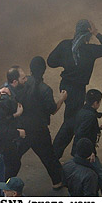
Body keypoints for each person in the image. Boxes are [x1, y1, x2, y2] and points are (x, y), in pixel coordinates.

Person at [47, 19, 102, 159]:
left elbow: (51, 61)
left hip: (65, 85)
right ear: (88, 33)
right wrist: (96, 33)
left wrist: (67, 63)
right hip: (77, 90)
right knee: (71, 121)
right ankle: (58, 154)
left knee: (72, 118)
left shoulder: (65, 45)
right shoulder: (90, 50)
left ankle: (59, 152)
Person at [16, 56, 66, 190]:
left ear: (30, 69)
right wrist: (61, 99)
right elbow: (53, 110)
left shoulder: (23, 83)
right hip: (39, 130)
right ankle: (57, 182)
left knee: (12, 157)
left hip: (21, 129)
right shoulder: (45, 89)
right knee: (48, 156)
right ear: (44, 70)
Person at [0, 65, 27, 179]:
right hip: (8, 136)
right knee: (12, 164)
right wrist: (16, 115)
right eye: (23, 78)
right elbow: (1, 120)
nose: (26, 80)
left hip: (13, 133)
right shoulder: (5, 98)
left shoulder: (12, 91)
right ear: (15, 81)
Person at [71, 89, 102, 179]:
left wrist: (97, 128)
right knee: (101, 173)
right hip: (86, 150)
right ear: (95, 103)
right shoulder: (91, 117)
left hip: (79, 149)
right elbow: (82, 133)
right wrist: (90, 152)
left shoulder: (82, 110)